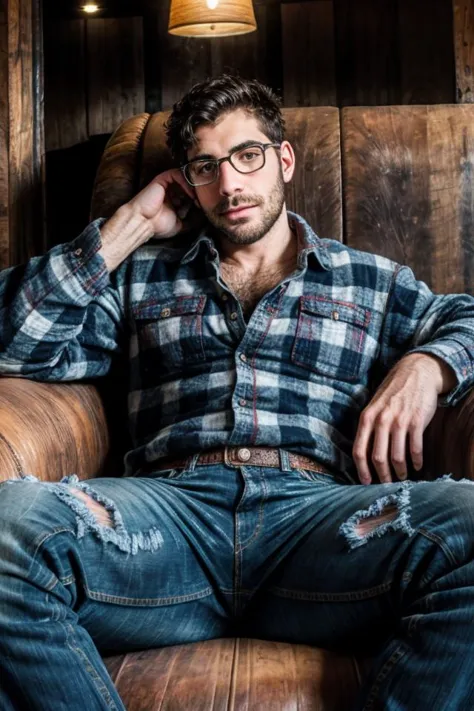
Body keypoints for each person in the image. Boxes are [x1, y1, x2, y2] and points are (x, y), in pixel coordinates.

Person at [1, 74, 474, 711]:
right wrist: (126, 229)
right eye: (205, 167)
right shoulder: (139, 274)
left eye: (246, 156)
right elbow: (17, 344)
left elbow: (465, 318)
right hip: (165, 523)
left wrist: (428, 364)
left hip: (321, 527)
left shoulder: (371, 280)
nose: (229, 184)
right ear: (186, 183)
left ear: (283, 160)